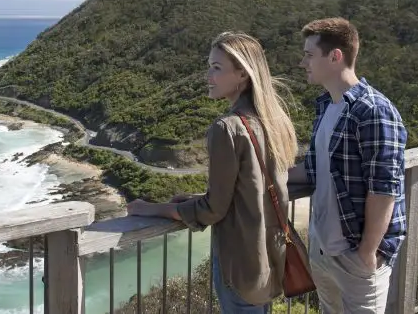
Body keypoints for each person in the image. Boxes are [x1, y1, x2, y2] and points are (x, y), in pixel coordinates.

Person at [126, 31, 299, 313]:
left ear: (242, 73)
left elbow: (212, 210)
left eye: (217, 68)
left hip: (240, 264)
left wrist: (150, 208)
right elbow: (250, 187)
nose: (208, 75)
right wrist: (197, 197)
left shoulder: (227, 128)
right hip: (269, 258)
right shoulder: (273, 121)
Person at [291, 17, 408, 313]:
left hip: (356, 254)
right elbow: (314, 170)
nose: (302, 62)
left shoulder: (373, 110)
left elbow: (384, 189)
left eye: (308, 54)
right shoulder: (327, 107)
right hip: (323, 249)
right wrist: (260, 177)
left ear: (335, 56)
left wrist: (368, 252)